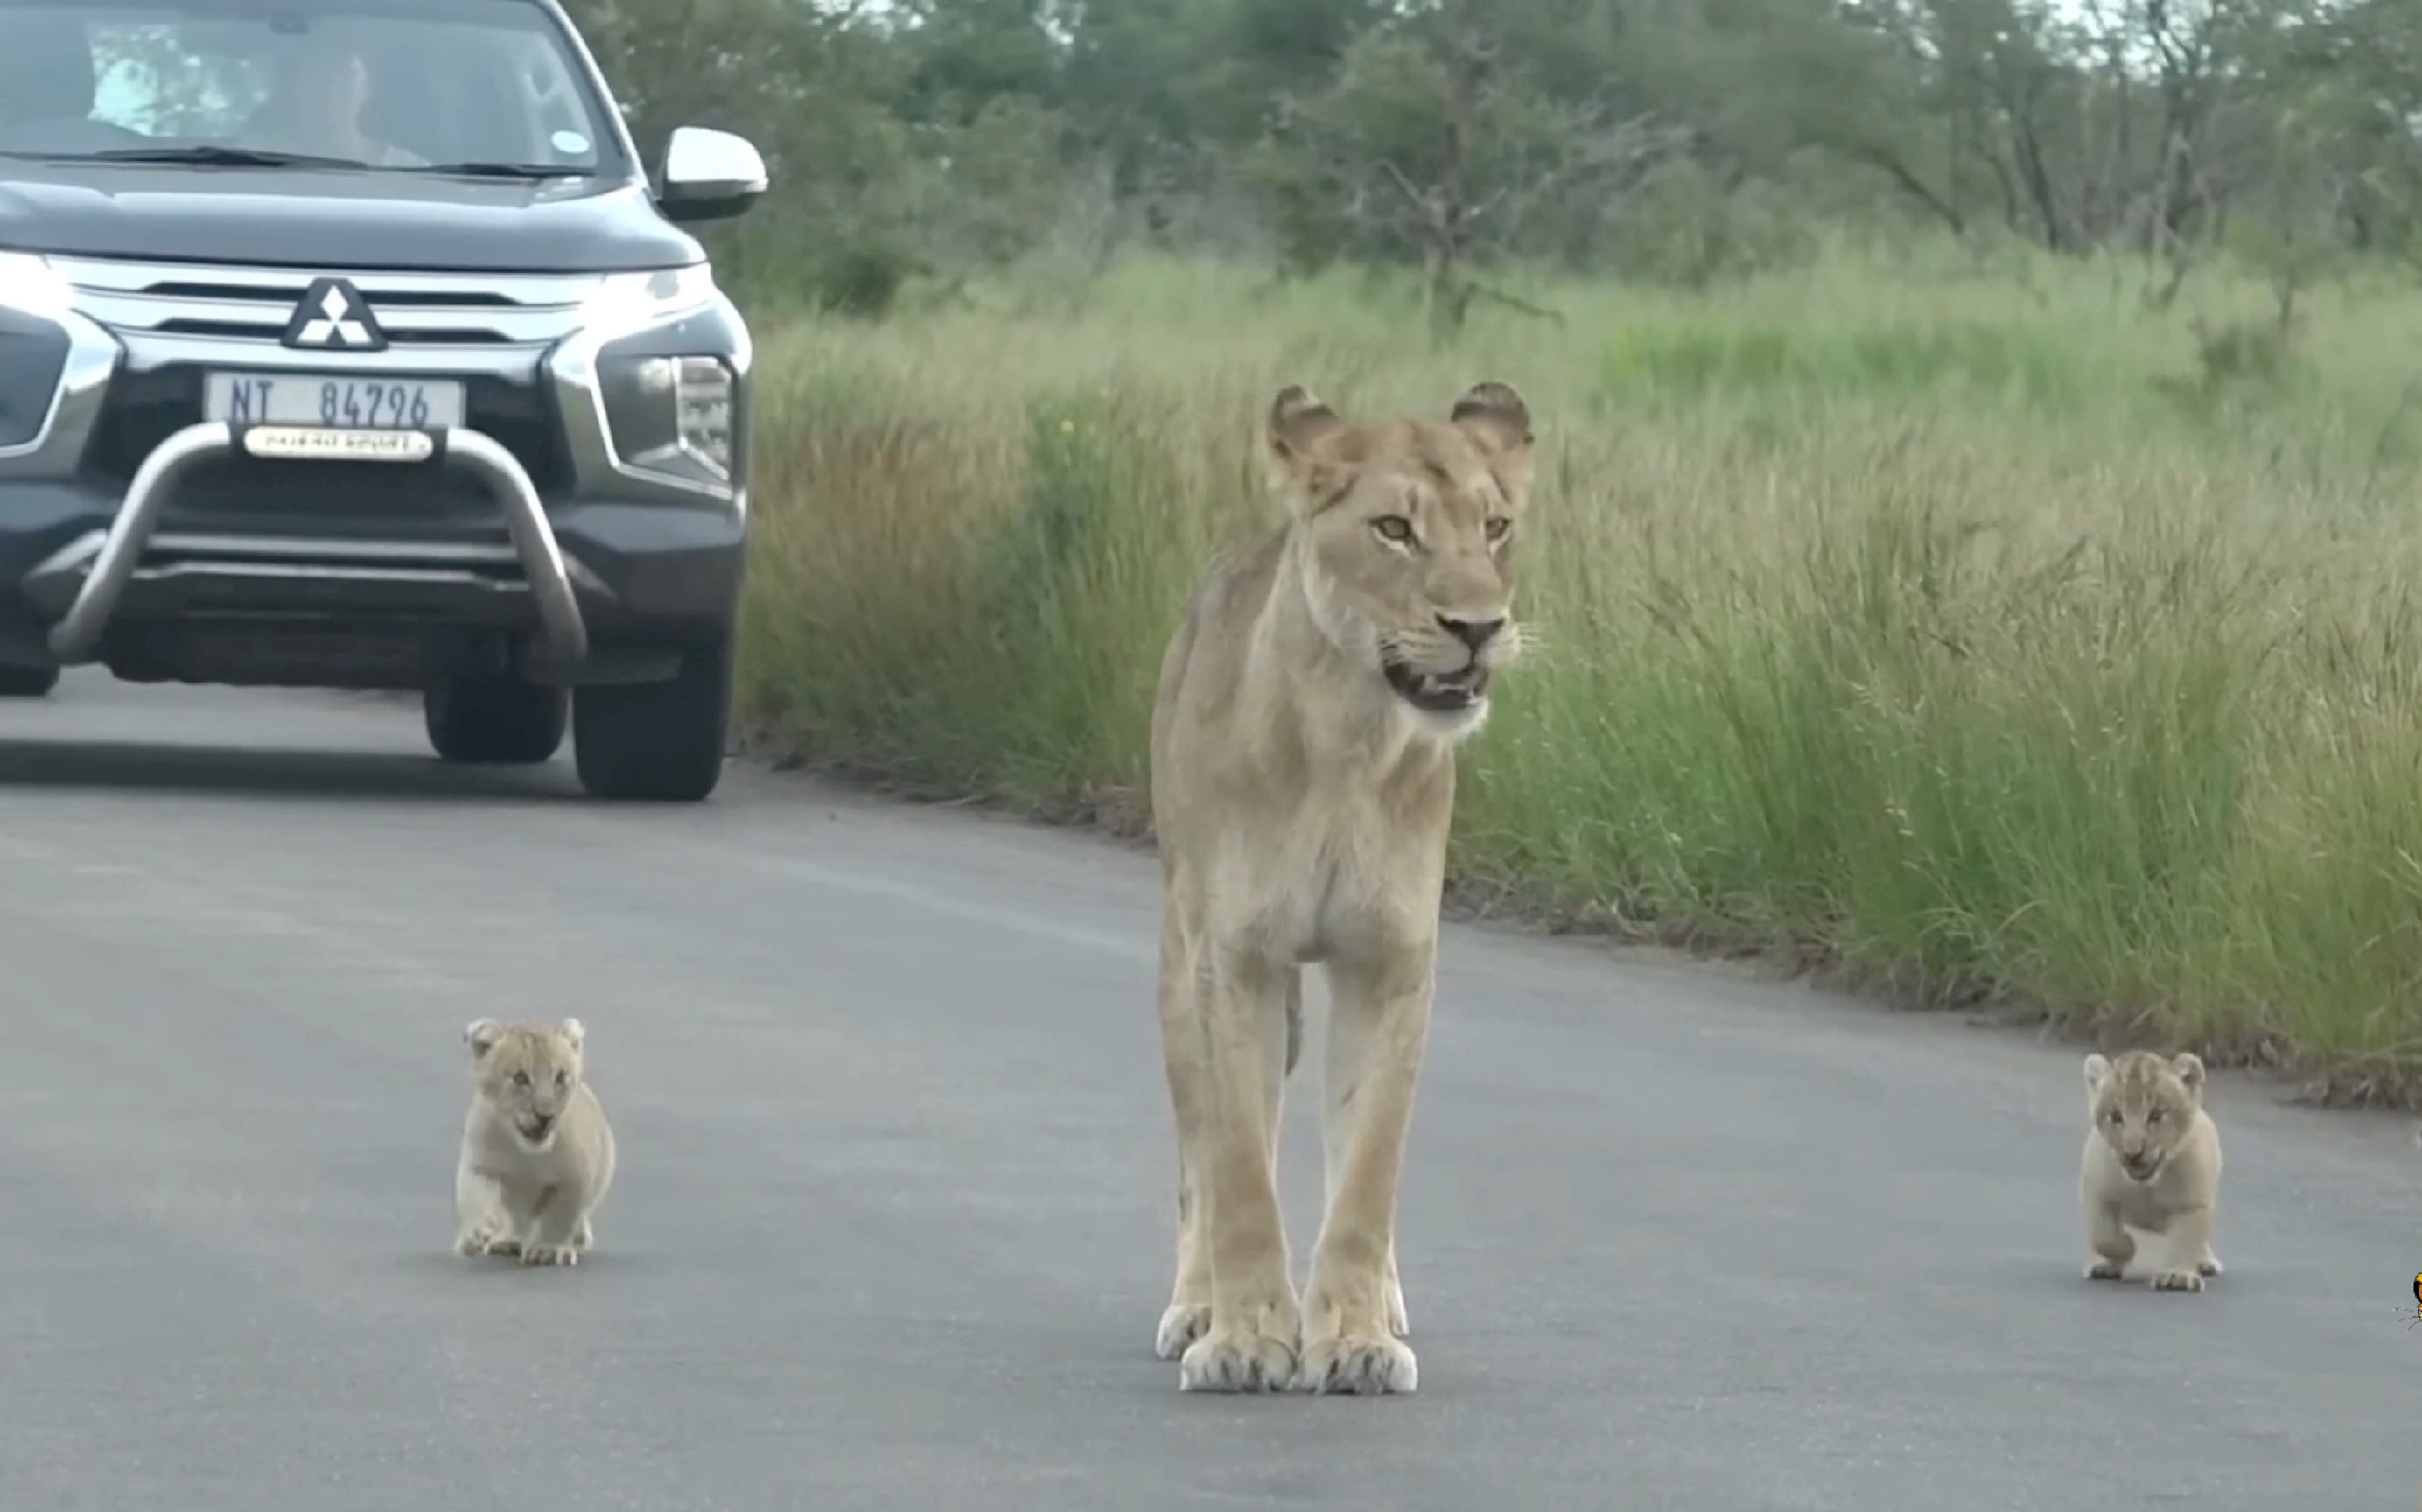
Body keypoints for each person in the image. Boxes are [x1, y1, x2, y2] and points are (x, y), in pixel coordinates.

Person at [249, 32, 424, 166]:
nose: (333, 89)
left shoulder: (410, 171)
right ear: (295, 89)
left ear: (367, 88)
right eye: (320, 76)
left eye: (347, 75)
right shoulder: (250, 161)